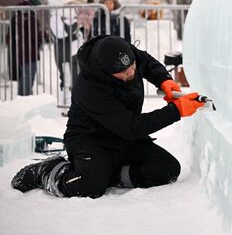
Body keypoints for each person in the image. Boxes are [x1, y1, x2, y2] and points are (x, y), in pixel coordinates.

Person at [11, 35, 205, 198]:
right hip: (91, 140)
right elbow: (131, 127)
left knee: (167, 169)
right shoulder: (89, 88)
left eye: (132, 66)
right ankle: (45, 171)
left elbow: (145, 62)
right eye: (124, 72)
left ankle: (109, 174)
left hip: (123, 138)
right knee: (89, 187)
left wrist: (164, 80)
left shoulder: (124, 54)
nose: (132, 72)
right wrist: (176, 111)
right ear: (107, 73)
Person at [48, 0, 83, 103]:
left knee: (76, 78)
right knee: (66, 78)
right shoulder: (56, 16)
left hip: (74, 51)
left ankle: (74, 102)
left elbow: (76, 32)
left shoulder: (70, 16)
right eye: (69, 4)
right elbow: (61, 34)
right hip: (63, 51)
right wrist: (72, 27)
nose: (72, 7)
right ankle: (65, 103)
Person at [8, 0, 43, 95]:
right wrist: (41, 36)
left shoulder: (17, 17)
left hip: (20, 51)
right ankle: (26, 98)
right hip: (30, 51)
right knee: (29, 75)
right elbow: (35, 36)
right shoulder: (29, 18)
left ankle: (22, 97)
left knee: (24, 76)